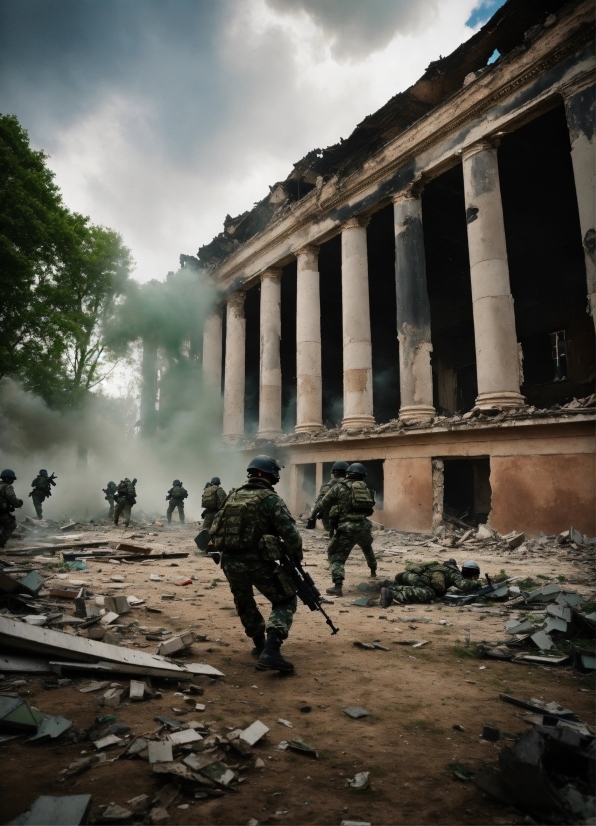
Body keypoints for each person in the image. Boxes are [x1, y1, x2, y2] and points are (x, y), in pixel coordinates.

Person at [209, 455, 302, 673]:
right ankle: (272, 650)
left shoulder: (232, 496)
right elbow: (292, 536)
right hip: (257, 562)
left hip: (229, 562)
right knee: (286, 600)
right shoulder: (270, 499)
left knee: (245, 602)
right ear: (270, 475)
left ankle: (260, 645)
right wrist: (295, 557)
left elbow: (214, 529)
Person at [318, 462, 377, 596]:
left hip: (346, 528)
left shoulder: (339, 487)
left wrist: (314, 514)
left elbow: (323, 503)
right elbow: (370, 511)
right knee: (367, 547)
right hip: (364, 526)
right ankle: (373, 571)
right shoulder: (366, 489)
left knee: (336, 555)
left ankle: (337, 587)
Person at [380, 560, 483, 606]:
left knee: (422, 587)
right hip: (418, 579)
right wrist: (478, 584)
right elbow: (463, 585)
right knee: (429, 593)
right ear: (473, 575)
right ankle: (392, 595)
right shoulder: (454, 573)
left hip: (406, 576)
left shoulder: (443, 568)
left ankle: (390, 588)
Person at [306, 461, 349, 532]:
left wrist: (313, 517)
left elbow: (320, 503)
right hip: (349, 519)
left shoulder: (329, 486)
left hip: (331, 519)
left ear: (334, 472)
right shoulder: (351, 485)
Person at [0, 469, 23, 548]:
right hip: (1, 512)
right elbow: (13, 500)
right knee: (11, 525)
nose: (13, 481)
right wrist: (20, 503)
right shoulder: (7, 487)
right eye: (12, 479)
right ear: (7, 479)